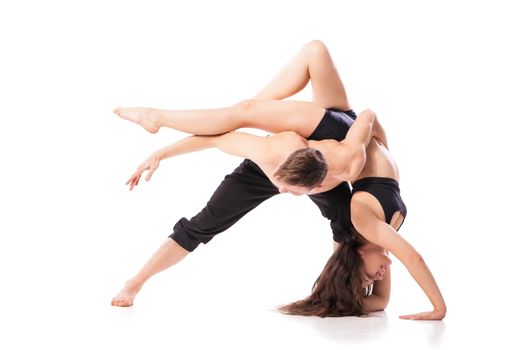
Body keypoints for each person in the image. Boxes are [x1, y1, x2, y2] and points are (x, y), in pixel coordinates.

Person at [112, 40, 446, 320]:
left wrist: (341, 300)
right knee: (205, 218)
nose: (281, 192)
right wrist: (161, 154)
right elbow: (216, 139)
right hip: (305, 143)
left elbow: (375, 291)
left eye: (288, 189)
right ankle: (135, 281)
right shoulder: (271, 153)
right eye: (282, 186)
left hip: (333, 143)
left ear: (315, 187)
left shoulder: (348, 191)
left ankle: (256, 111)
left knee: (315, 52)